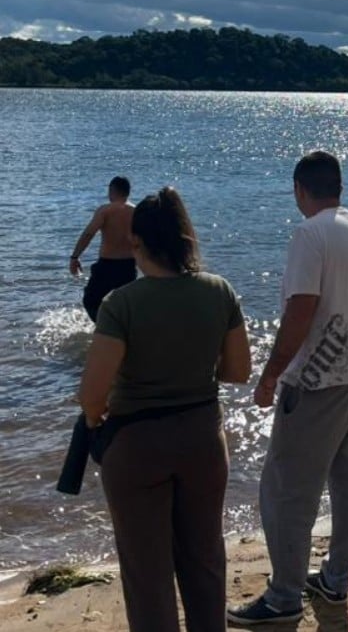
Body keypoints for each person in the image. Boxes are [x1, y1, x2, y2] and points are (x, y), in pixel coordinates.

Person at [78, 186, 251, 632]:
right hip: (202, 439)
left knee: (147, 573)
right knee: (205, 560)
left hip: (137, 446)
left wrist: (98, 426)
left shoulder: (122, 304)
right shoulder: (220, 291)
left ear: (137, 243)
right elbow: (237, 371)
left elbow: (93, 394)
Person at [227, 151, 348, 625]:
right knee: (345, 481)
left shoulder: (309, 233)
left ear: (300, 188)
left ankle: (284, 596)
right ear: (338, 186)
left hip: (317, 380)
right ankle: (335, 580)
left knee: (285, 490)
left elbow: (301, 309)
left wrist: (271, 373)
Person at [69, 176, 138, 322]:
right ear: (128, 192)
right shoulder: (137, 212)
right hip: (129, 266)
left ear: (112, 190)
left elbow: (89, 234)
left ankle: (105, 329)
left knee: (91, 301)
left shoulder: (105, 211)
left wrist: (75, 257)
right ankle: (120, 332)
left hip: (107, 266)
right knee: (124, 306)